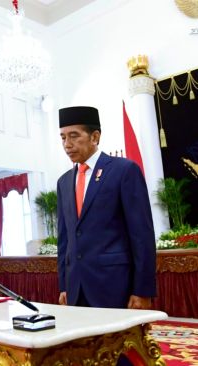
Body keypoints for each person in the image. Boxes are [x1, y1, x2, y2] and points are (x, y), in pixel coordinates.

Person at [56, 106, 156, 310]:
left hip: (115, 286)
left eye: (74, 136)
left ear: (95, 137)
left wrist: (142, 290)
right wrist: (64, 285)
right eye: (63, 137)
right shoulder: (64, 182)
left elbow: (141, 235)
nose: (67, 144)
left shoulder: (124, 171)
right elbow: (64, 239)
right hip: (76, 289)